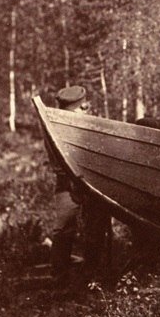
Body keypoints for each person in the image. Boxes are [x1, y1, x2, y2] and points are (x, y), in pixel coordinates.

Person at [47, 86, 111, 287]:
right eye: (77, 109)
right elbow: (59, 162)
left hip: (90, 182)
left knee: (96, 226)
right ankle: (60, 278)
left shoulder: (86, 124)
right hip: (68, 182)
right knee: (64, 228)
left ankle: (90, 274)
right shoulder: (55, 128)